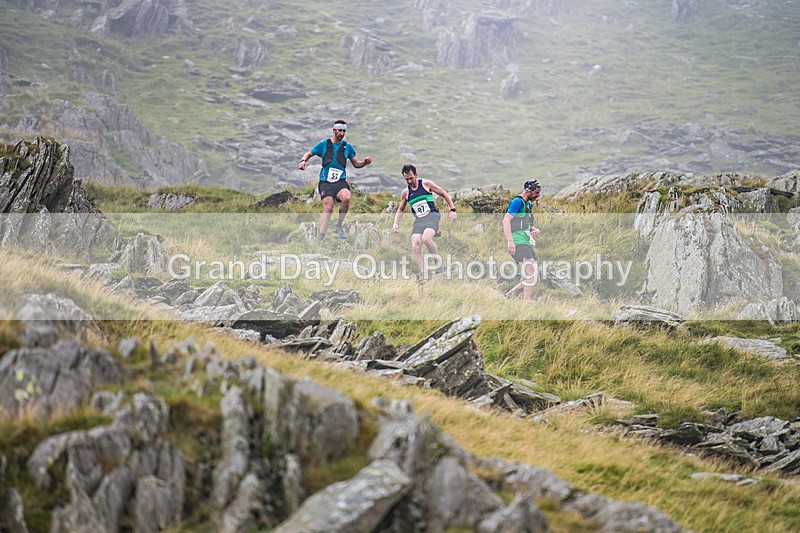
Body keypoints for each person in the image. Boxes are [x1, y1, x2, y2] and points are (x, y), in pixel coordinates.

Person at [298, 120, 372, 239]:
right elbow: (308, 154)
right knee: (328, 208)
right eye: (339, 130)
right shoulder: (323, 144)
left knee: (347, 198)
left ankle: (339, 225)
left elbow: (356, 164)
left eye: (344, 131)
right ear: (334, 130)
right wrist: (303, 161)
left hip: (340, 182)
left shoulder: (347, 147)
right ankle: (321, 237)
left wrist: (365, 162)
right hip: (325, 182)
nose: (341, 133)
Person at [392, 164, 457, 275]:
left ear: (416, 175)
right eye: (406, 179)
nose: (409, 181)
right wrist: (395, 223)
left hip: (432, 216)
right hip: (419, 220)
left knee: (426, 239)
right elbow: (401, 209)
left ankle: (439, 265)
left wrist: (452, 209)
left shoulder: (426, 184)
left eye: (411, 178)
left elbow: (444, 193)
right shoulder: (406, 193)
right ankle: (423, 273)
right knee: (415, 244)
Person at [502, 179, 541, 300]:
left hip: (526, 242)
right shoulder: (517, 202)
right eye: (536, 192)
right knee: (531, 275)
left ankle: (508, 296)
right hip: (518, 242)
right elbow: (506, 220)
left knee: (535, 277)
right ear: (528, 190)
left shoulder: (527, 205)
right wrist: (510, 241)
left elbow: (521, 223)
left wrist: (534, 229)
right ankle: (526, 302)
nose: (538, 195)